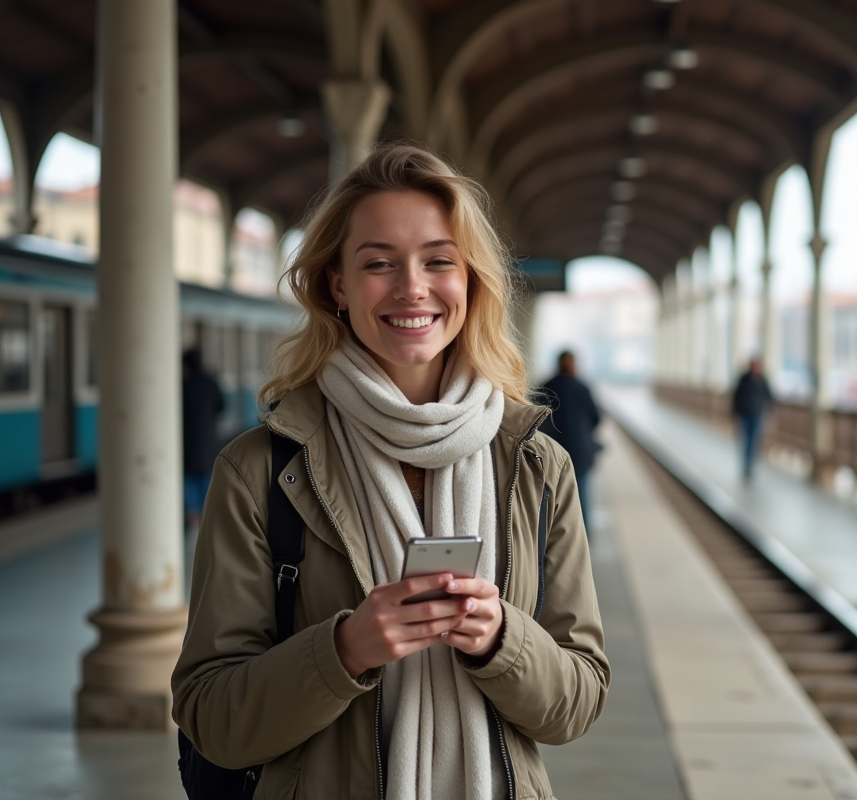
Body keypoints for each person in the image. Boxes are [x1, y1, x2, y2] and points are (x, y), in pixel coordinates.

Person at [172, 143, 609, 800]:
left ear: (471, 281)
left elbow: (578, 702)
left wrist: (501, 640)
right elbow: (211, 716)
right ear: (338, 285)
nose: (412, 287)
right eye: (379, 263)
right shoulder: (260, 471)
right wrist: (344, 649)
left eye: (439, 260)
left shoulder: (537, 467)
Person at [538, 350, 601, 526]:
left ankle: (553, 538)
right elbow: (596, 418)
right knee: (581, 497)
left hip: (552, 452)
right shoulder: (582, 388)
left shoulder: (546, 387)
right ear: (574, 365)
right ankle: (583, 539)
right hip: (580, 452)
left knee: (551, 498)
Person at [180, 347, 224, 532]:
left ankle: (192, 516)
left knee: (188, 478)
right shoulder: (210, 383)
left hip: (187, 440)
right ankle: (206, 513)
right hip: (207, 439)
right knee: (206, 477)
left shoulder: (183, 384)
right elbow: (221, 406)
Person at [731, 356, 773, 479]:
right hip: (744, 414)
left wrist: (770, 412)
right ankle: (746, 464)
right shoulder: (743, 379)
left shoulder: (762, 380)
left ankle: (750, 465)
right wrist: (734, 413)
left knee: (754, 440)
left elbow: (769, 396)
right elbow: (736, 396)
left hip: (757, 414)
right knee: (746, 440)